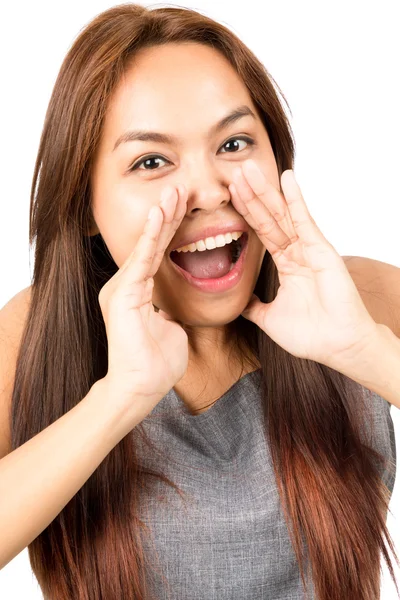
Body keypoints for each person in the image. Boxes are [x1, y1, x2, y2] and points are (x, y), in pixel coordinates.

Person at [0, 4, 398, 599]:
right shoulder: (36, 333)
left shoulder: (359, 296)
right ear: (84, 204)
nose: (210, 189)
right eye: (151, 161)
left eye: (234, 142)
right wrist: (115, 401)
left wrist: (366, 352)